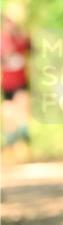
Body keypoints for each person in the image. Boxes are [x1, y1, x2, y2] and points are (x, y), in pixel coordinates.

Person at [1, 14, 31, 149]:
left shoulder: (19, 38)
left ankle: (23, 131)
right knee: (9, 109)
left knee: (22, 104)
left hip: (21, 80)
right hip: (8, 83)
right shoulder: (2, 40)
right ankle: (10, 137)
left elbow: (30, 47)